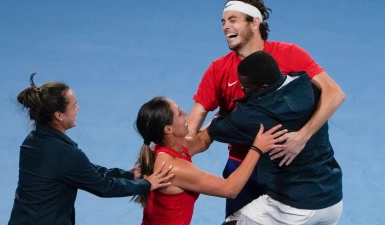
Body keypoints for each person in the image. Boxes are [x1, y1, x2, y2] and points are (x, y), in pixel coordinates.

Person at [187, 0, 346, 217]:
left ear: (255, 23)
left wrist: (302, 136)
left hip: (287, 171)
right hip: (242, 168)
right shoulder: (217, 70)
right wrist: (164, 157)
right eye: (223, 21)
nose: (225, 26)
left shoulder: (290, 54)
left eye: (233, 19)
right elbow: (193, 129)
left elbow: (333, 93)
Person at [8, 73, 174, 225]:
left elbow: (85, 169)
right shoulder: (66, 153)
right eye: (74, 105)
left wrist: (130, 175)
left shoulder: (32, 141)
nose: (78, 108)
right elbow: (104, 186)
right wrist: (146, 184)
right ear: (59, 115)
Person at [208, 51, 343, 225]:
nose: (242, 90)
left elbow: (216, 128)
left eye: (246, 88)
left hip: (293, 207)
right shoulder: (312, 89)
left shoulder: (252, 116)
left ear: (264, 87)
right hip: (333, 200)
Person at [132, 96, 288, 225]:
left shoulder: (170, 148)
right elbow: (230, 189)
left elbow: (202, 139)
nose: (184, 112)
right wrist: (257, 148)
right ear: (168, 129)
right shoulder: (173, 168)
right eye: (178, 113)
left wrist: (227, 112)